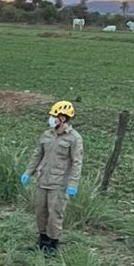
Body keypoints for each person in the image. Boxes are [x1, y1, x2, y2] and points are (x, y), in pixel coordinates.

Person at [20, 101, 84, 255]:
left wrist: (73, 184)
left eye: (54, 116)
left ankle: (52, 243)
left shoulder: (74, 138)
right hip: (42, 180)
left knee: (55, 214)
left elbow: (77, 162)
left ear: (62, 118)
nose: (51, 119)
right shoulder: (47, 134)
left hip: (59, 183)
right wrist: (28, 172)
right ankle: (42, 240)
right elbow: (37, 154)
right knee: (40, 211)